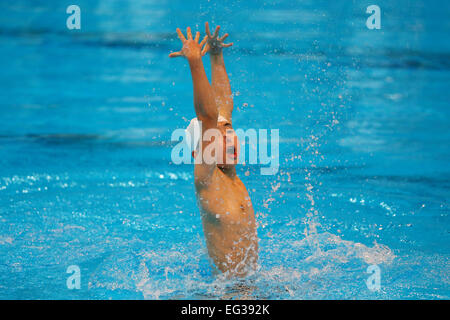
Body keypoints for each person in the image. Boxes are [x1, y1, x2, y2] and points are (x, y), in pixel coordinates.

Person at [169, 22, 258, 277]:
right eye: (217, 137)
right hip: (228, 294)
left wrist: (217, 57)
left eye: (229, 131)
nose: (229, 139)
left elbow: (221, 109)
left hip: (250, 286)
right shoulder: (207, 180)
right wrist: (195, 63)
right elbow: (208, 115)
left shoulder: (230, 173)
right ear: (201, 152)